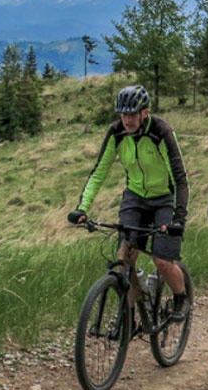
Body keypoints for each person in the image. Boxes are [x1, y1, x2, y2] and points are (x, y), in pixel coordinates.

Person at [68, 84, 190, 321]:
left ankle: (181, 298)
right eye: (123, 114)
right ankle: (129, 317)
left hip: (164, 199)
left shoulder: (160, 132)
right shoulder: (117, 133)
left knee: (162, 260)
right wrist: (82, 208)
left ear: (145, 112)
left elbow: (180, 178)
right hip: (135, 198)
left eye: (132, 114)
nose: (127, 120)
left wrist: (179, 219)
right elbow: (98, 173)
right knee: (124, 258)